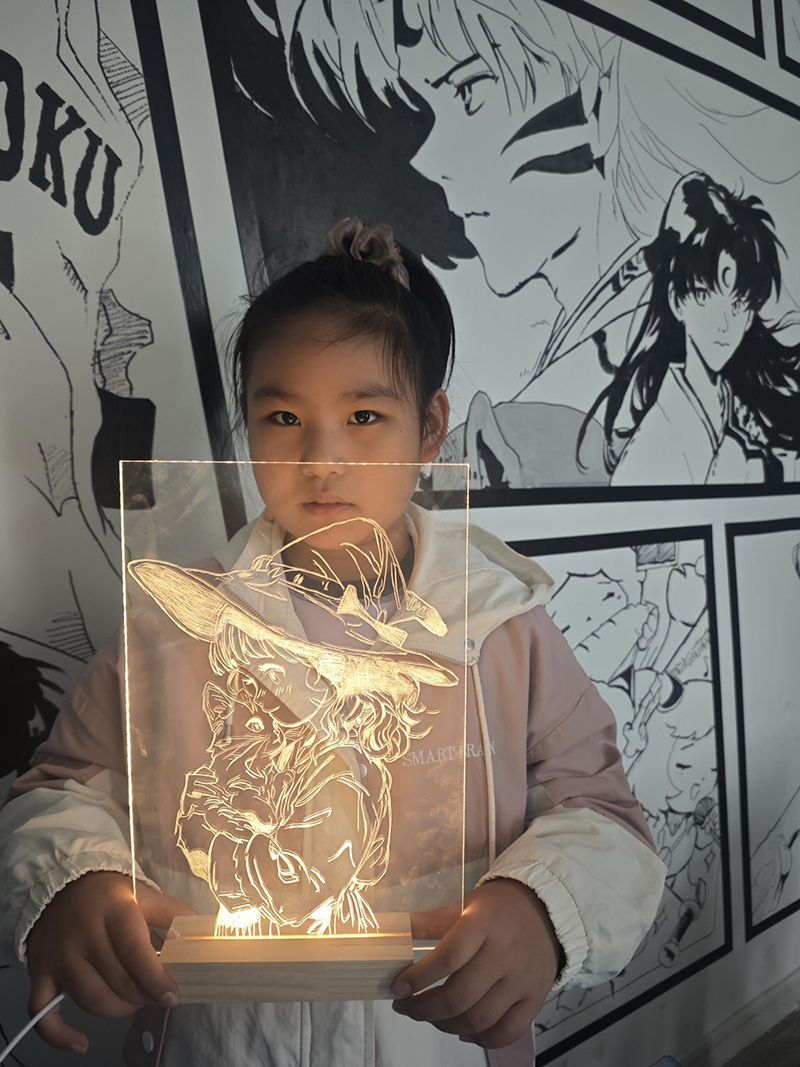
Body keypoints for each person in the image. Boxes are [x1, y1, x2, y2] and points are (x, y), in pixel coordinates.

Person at [0, 219, 666, 1066]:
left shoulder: (503, 627)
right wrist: (70, 878)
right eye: (283, 415)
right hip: (223, 1041)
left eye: (363, 415)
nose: (321, 457)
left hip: (438, 1041)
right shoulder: (171, 623)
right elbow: (62, 785)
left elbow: (603, 814)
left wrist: (545, 908)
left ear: (430, 430)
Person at [578, 173, 800, 485]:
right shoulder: (651, 450)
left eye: (739, 304)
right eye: (705, 295)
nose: (725, 324)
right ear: (677, 301)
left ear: (751, 316)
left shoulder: (740, 415)